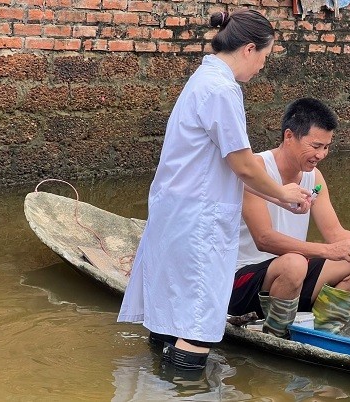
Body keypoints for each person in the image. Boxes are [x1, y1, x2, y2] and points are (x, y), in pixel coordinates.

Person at [117, 10, 312, 371]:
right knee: (197, 324)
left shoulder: (203, 79)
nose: (260, 68)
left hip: (177, 213)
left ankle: (158, 388)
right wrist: (283, 195)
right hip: (197, 222)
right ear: (249, 49)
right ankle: (185, 389)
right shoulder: (222, 89)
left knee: (171, 316)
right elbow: (242, 164)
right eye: (264, 58)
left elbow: (231, 165)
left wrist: (275, 193)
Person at [228, 98, 350, 338]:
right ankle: (276, 337)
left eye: (326, 147)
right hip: (241, 283)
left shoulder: (314, 177)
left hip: (291, 279)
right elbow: (264, 239)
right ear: (289, 137)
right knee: (295, 263)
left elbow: (335, 234)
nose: (321, 154)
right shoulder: (255, 170)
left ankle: (323, 335)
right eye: (315, 146)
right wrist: (325, 251)